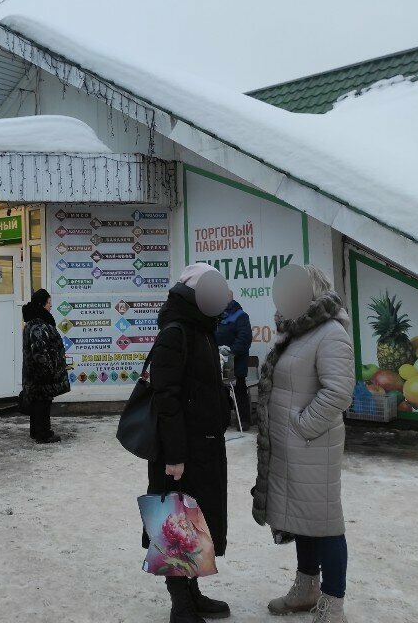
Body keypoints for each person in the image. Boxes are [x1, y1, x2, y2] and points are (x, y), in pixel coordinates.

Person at [252, 265, 354, 623]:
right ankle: (307, 587)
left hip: (313, 445)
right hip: (291, 446)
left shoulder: (330, 333)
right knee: (302, 518)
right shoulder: (296, 332)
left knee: (325, 522)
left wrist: (303, 427)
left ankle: (333, 603)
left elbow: (338, 391)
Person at [146, 263, 233, 623]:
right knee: (176, 522)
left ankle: (193, 593)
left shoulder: (201, 329)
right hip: (180, 452)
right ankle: (180, 604)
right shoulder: (176, 332)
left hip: (204, 447)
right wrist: (175, 454)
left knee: (197, 523)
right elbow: (165, 398)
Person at [21, 289, 70, 443]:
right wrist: (48, 370)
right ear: (41, 304)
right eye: (49, 302)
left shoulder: (34, 322)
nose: (51, 305)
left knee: (38, 402)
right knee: (42, 402)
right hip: (41, 372)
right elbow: (40, 352)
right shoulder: (39, 325)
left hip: (36, 372)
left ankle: (37, 431)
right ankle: (43, 434)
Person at [216, 296, 253, 430]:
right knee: (219, 391)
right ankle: (222, 419)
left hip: (237, 363)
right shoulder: (214, 315)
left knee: (239, 390)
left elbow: (245, 338)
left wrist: (230, 351)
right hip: (217, 361)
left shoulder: (241, 316)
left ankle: (243, 421)